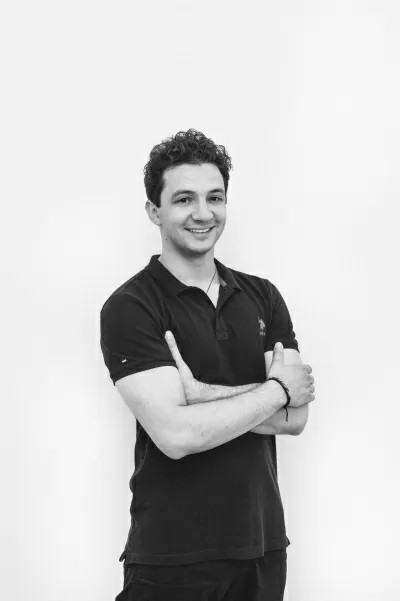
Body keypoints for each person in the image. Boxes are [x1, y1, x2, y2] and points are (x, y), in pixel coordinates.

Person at [100, 128, 315, 601]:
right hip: (171, 558)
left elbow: (296, 418)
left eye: (214, 197)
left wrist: (200, 395)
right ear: (154, 211)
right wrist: (275, 391)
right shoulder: (132, 306)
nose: (203, 213)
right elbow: (177, 436)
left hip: (263, 550)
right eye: (184, 199)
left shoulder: (262, 295)